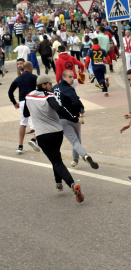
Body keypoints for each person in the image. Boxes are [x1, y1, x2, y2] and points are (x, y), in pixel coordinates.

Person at [23, 75, 84, 203]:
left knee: (56, 160)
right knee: (56, 157)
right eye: (50, 84)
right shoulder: (49, 96)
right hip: (57, 133)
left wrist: (36, 111)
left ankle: (72, 184)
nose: (52, 86)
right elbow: (59, 108)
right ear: (44, 85)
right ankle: (58, 183)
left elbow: (25, 114)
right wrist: (74, 118)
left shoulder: (29, 97)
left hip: (42, 135)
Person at [53, 70, 98, 169]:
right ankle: (85, 156)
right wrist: (81, 110)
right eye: (70, 77)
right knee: (76, 141)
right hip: (74, 118)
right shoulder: (68, 89)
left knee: (75, 141)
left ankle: (75, 159)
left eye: (73, 77)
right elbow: (77, 102)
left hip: (61, 118)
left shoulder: (55, 88)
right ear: (63, 77)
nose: (73, 79)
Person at [8, 60, 40, 154]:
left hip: (22, 101)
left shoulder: (18, 79)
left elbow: (10, 92)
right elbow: (41, 88)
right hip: (33, 100)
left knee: (23, 123)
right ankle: (34, 139)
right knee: (39, 121)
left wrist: (14, 103)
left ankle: (20, 146)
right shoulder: (34, 77)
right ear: (30, 68)